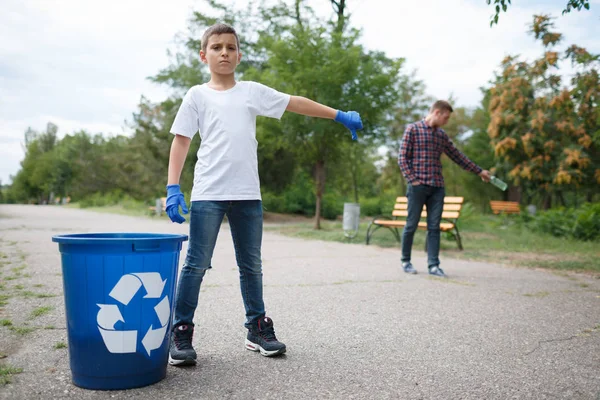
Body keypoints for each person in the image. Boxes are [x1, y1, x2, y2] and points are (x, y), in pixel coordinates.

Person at [165, 23, 363, 366]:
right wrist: (172, 186)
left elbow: (294, 103)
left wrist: (338, 115)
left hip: (247, 194)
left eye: (230, 47)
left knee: (251, 266)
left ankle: (257, 328)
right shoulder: (197, 95)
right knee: (196, 264)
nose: (224, 52)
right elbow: (182, 139)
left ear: (239, 55)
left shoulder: (251, 92)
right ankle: (180, 330)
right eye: (216, 47)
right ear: (204, 55)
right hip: (208, 193)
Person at [398, 100, 490, 278]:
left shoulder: (441, 135)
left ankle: (433, 265)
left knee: (434, 227)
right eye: (446, 118)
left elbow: (458, 156)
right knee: (411, 225)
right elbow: (402, 158)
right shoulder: (413, 129)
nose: (447, 122)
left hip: (437, 188)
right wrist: (413, 181)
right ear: (437, 113)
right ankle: (406, 261)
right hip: (417, 187)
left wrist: (479, 171)